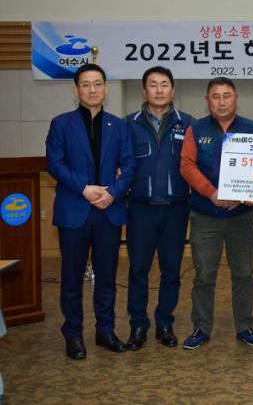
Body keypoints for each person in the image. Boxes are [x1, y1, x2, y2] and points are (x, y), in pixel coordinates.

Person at [46, 63, 135, 359]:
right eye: (86, 84)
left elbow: (130, 165)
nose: (92, 89)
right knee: (71, 278)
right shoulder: (61, 124)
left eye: (97, 84)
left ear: (105, 88)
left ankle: (105, 331)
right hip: (74, 209)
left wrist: (113, 193)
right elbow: (55, 164)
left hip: (109, 211)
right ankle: (73, 334)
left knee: (107, 277)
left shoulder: (119, 126)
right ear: (76, 90)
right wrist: (84, 188)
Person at [179, 77, 253, 349]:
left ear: (235, 98)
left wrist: (249, 193)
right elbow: (187, 165)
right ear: (207, 101)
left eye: (227, 96)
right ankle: (201, 328)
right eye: (216, 97)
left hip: (241, 216)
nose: (222, 102)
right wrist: (212, 193)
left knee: (243, 273)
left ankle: (245, 327)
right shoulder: (196, 128)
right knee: (204, 275)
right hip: (205, 215)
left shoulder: (252, 128)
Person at [125, 66, 192, 350]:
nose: (159, 90)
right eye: (153, 85)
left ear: (172, 90)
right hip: (140, 209)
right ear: (144, 91)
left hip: (176, 209)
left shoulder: (188, 124)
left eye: (164, 84)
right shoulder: (128, 124)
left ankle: (165, 322)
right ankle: (138, 325)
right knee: (138, 270)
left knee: (171, 270)